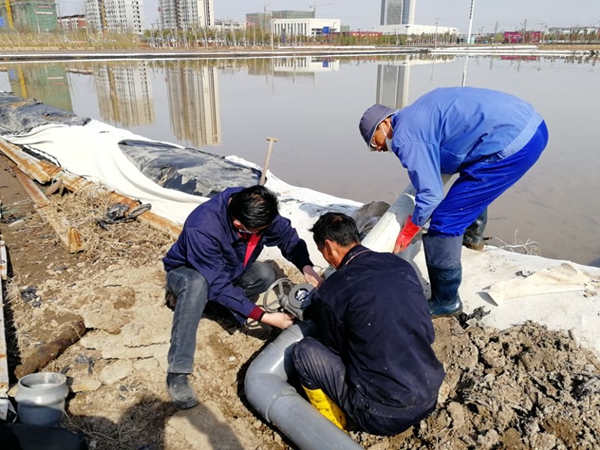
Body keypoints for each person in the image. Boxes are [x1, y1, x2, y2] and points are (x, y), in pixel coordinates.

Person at [358, 87, 549, 318]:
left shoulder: (405, 137)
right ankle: (473, 236)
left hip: (514, 144)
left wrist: (409, 230)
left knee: (445, 220)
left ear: (384, 124)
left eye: (374, 143)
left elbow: (431, 195)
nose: (379, 149)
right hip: (532, 126)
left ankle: (446, 300)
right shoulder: (416, 112)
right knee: (468, 188)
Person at [163, 185, 323, 409]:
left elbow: (286, 236)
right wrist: (264, 316)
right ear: (239, 224)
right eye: (259, 230)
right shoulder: (203, 227)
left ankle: (211, 307)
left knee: (264, 274)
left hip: (230, 268)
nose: (266, 230)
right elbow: (218, 284)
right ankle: (177, 371)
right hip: (188, 271)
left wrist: (306, 266)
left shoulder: (257, 207)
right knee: (198, 285)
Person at [293, 212, 445, 436]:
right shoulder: (399, 265)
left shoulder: (333, 291)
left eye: (322, 252)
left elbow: (335, 349)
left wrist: (319, 306)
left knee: (304, 353)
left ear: (329, 246)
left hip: (382, 416)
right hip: (429, 395)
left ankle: (337, 426)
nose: (326, 259)